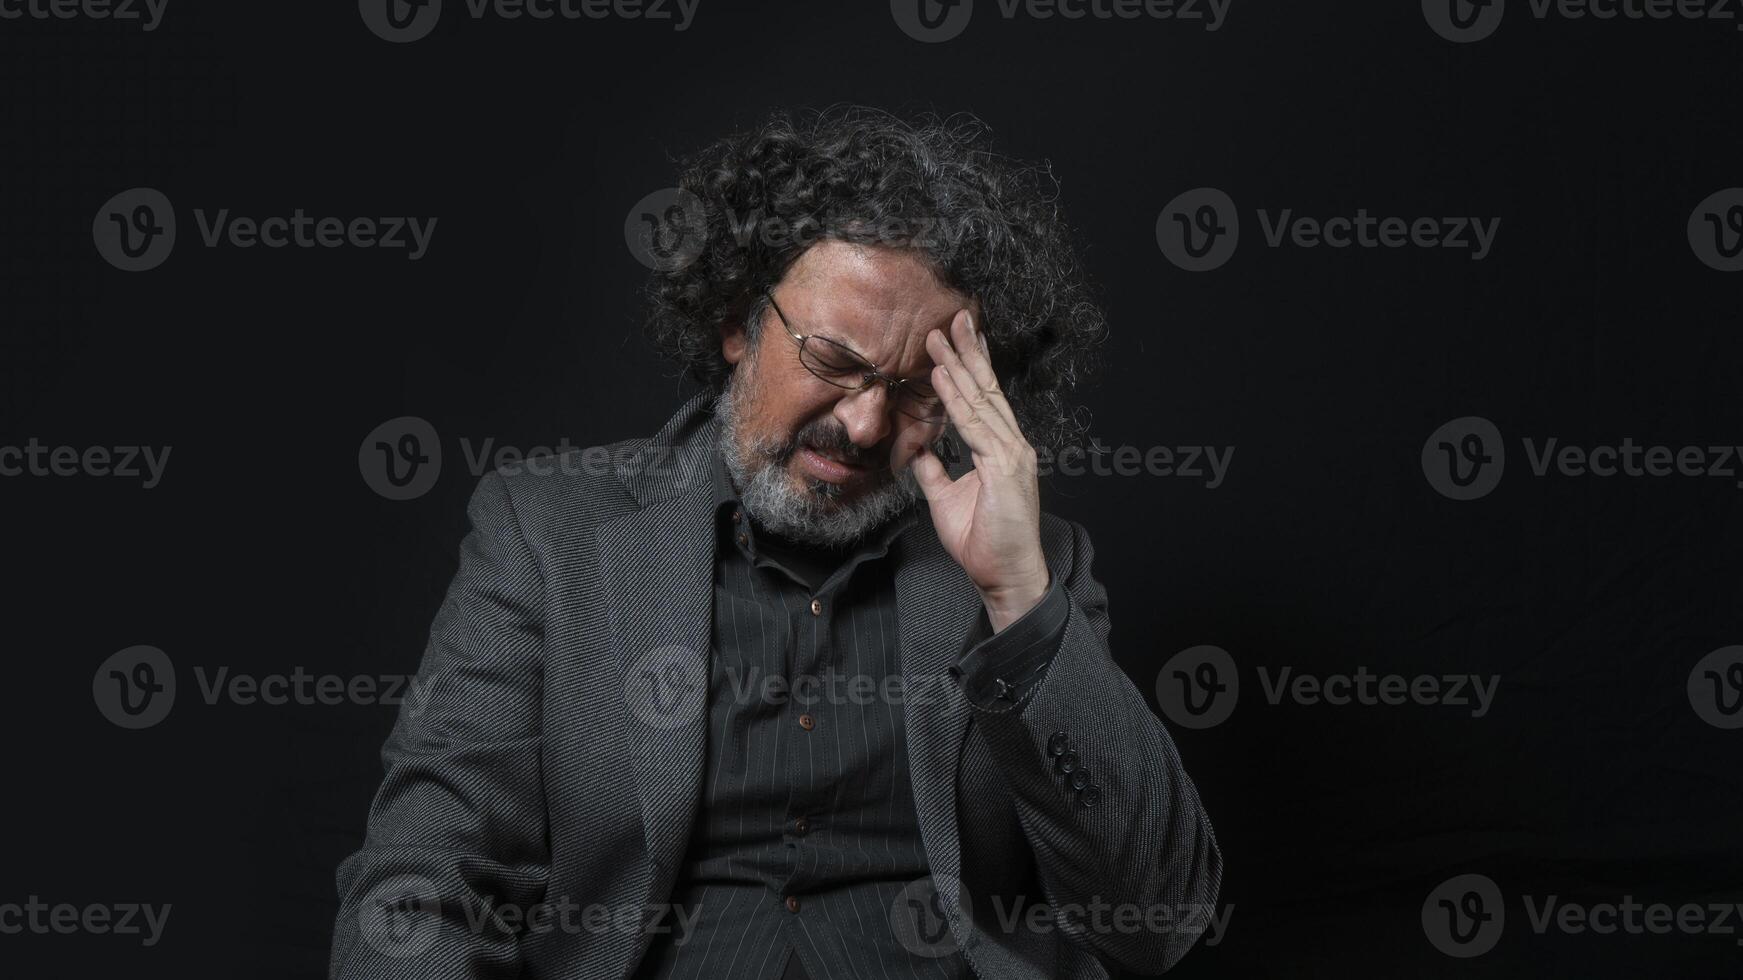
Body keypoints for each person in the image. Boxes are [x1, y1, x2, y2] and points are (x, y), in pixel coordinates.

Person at [331, 106, 1221, 979]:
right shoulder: (544, 529)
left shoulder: (1035, 565)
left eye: (916, 392)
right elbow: (426, 871)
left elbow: (1158, 922)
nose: (865, 424)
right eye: (833, 363)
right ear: (735, 322)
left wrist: (1020, 601)